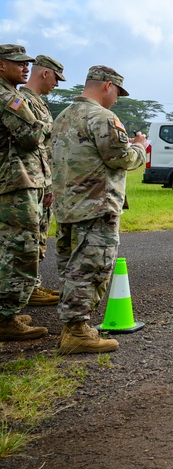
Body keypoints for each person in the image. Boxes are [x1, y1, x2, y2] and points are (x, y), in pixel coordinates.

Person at [51, 65, 147, 354]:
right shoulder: (102, 117)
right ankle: (76, 332)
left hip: (67, 206)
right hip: (96, 206)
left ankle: (74, 328)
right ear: (107, 85)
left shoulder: (64, 116)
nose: (116, 98)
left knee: (72, 269)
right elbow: (121, 158)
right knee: (92, 269)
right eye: (117, 91)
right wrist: (140, 147)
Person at [0, 44, 49, 342]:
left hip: (21, 180)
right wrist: (44, 123)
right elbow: (31, 136)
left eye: (27, 63)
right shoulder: (7, 97)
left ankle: (8, 312)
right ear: (1, 66)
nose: (25, 67)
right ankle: (6, 317)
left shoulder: (12, 93)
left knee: (12, 247)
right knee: (19, 249)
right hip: (15, 183)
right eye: (18, 63)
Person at [21, 55, 66, 307]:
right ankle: (26, 289)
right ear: (45, 73)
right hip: (32, 178)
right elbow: (35, 146)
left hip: (42, 178)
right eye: (56, 78)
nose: (57, 84)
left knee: (39, 235)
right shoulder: (23, 101)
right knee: (28, 238)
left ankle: (32, 285)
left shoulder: (37, 102)